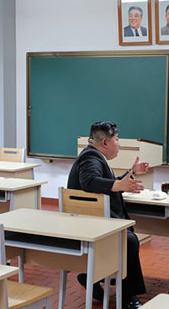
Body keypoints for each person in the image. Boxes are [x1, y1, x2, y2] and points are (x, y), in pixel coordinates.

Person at [67, 121, 147, 309]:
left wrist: (131, 173)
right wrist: (118, 185)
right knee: (129, 241)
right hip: (91, 225)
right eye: (117, 139)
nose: (119, 143)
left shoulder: (94, 156)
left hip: (94, 221)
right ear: (105, 143)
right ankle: (128, 296)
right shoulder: (90, 158)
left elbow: (108, 183)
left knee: (127, 237)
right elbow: (90, 181)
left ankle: (90, 277)